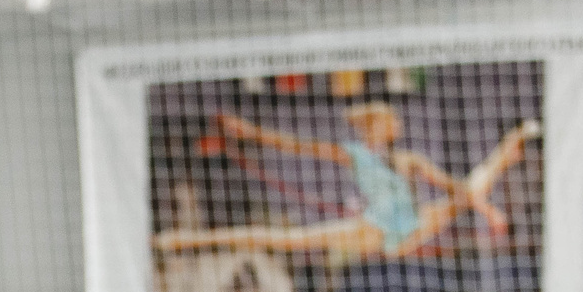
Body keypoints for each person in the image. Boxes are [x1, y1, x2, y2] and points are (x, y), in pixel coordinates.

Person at [154, 106, 539, 261]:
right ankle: (179, 240)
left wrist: (489, 212)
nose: (383, 130)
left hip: (411, 227)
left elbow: (460, 191)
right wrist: (248, 132)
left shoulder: (409, 160)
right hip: (373, 231)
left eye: (386, 126)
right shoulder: (353, 154)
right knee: (280, 238)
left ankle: (516, 138)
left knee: (477, 182)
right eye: (377, 125)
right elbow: (294, 145)